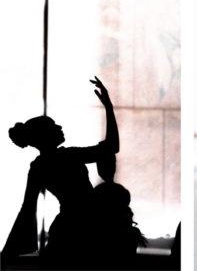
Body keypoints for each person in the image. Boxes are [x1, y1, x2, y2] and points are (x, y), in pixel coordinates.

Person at [2, 77, 119, 268]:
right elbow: (111, 146)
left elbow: (27, 207)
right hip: (87, 227)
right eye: (54, 126)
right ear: (45, 135)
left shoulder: (38, 166)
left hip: (66, 227)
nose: (60, 127)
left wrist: (11, 249)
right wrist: (108, 107)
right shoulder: (68, 156)